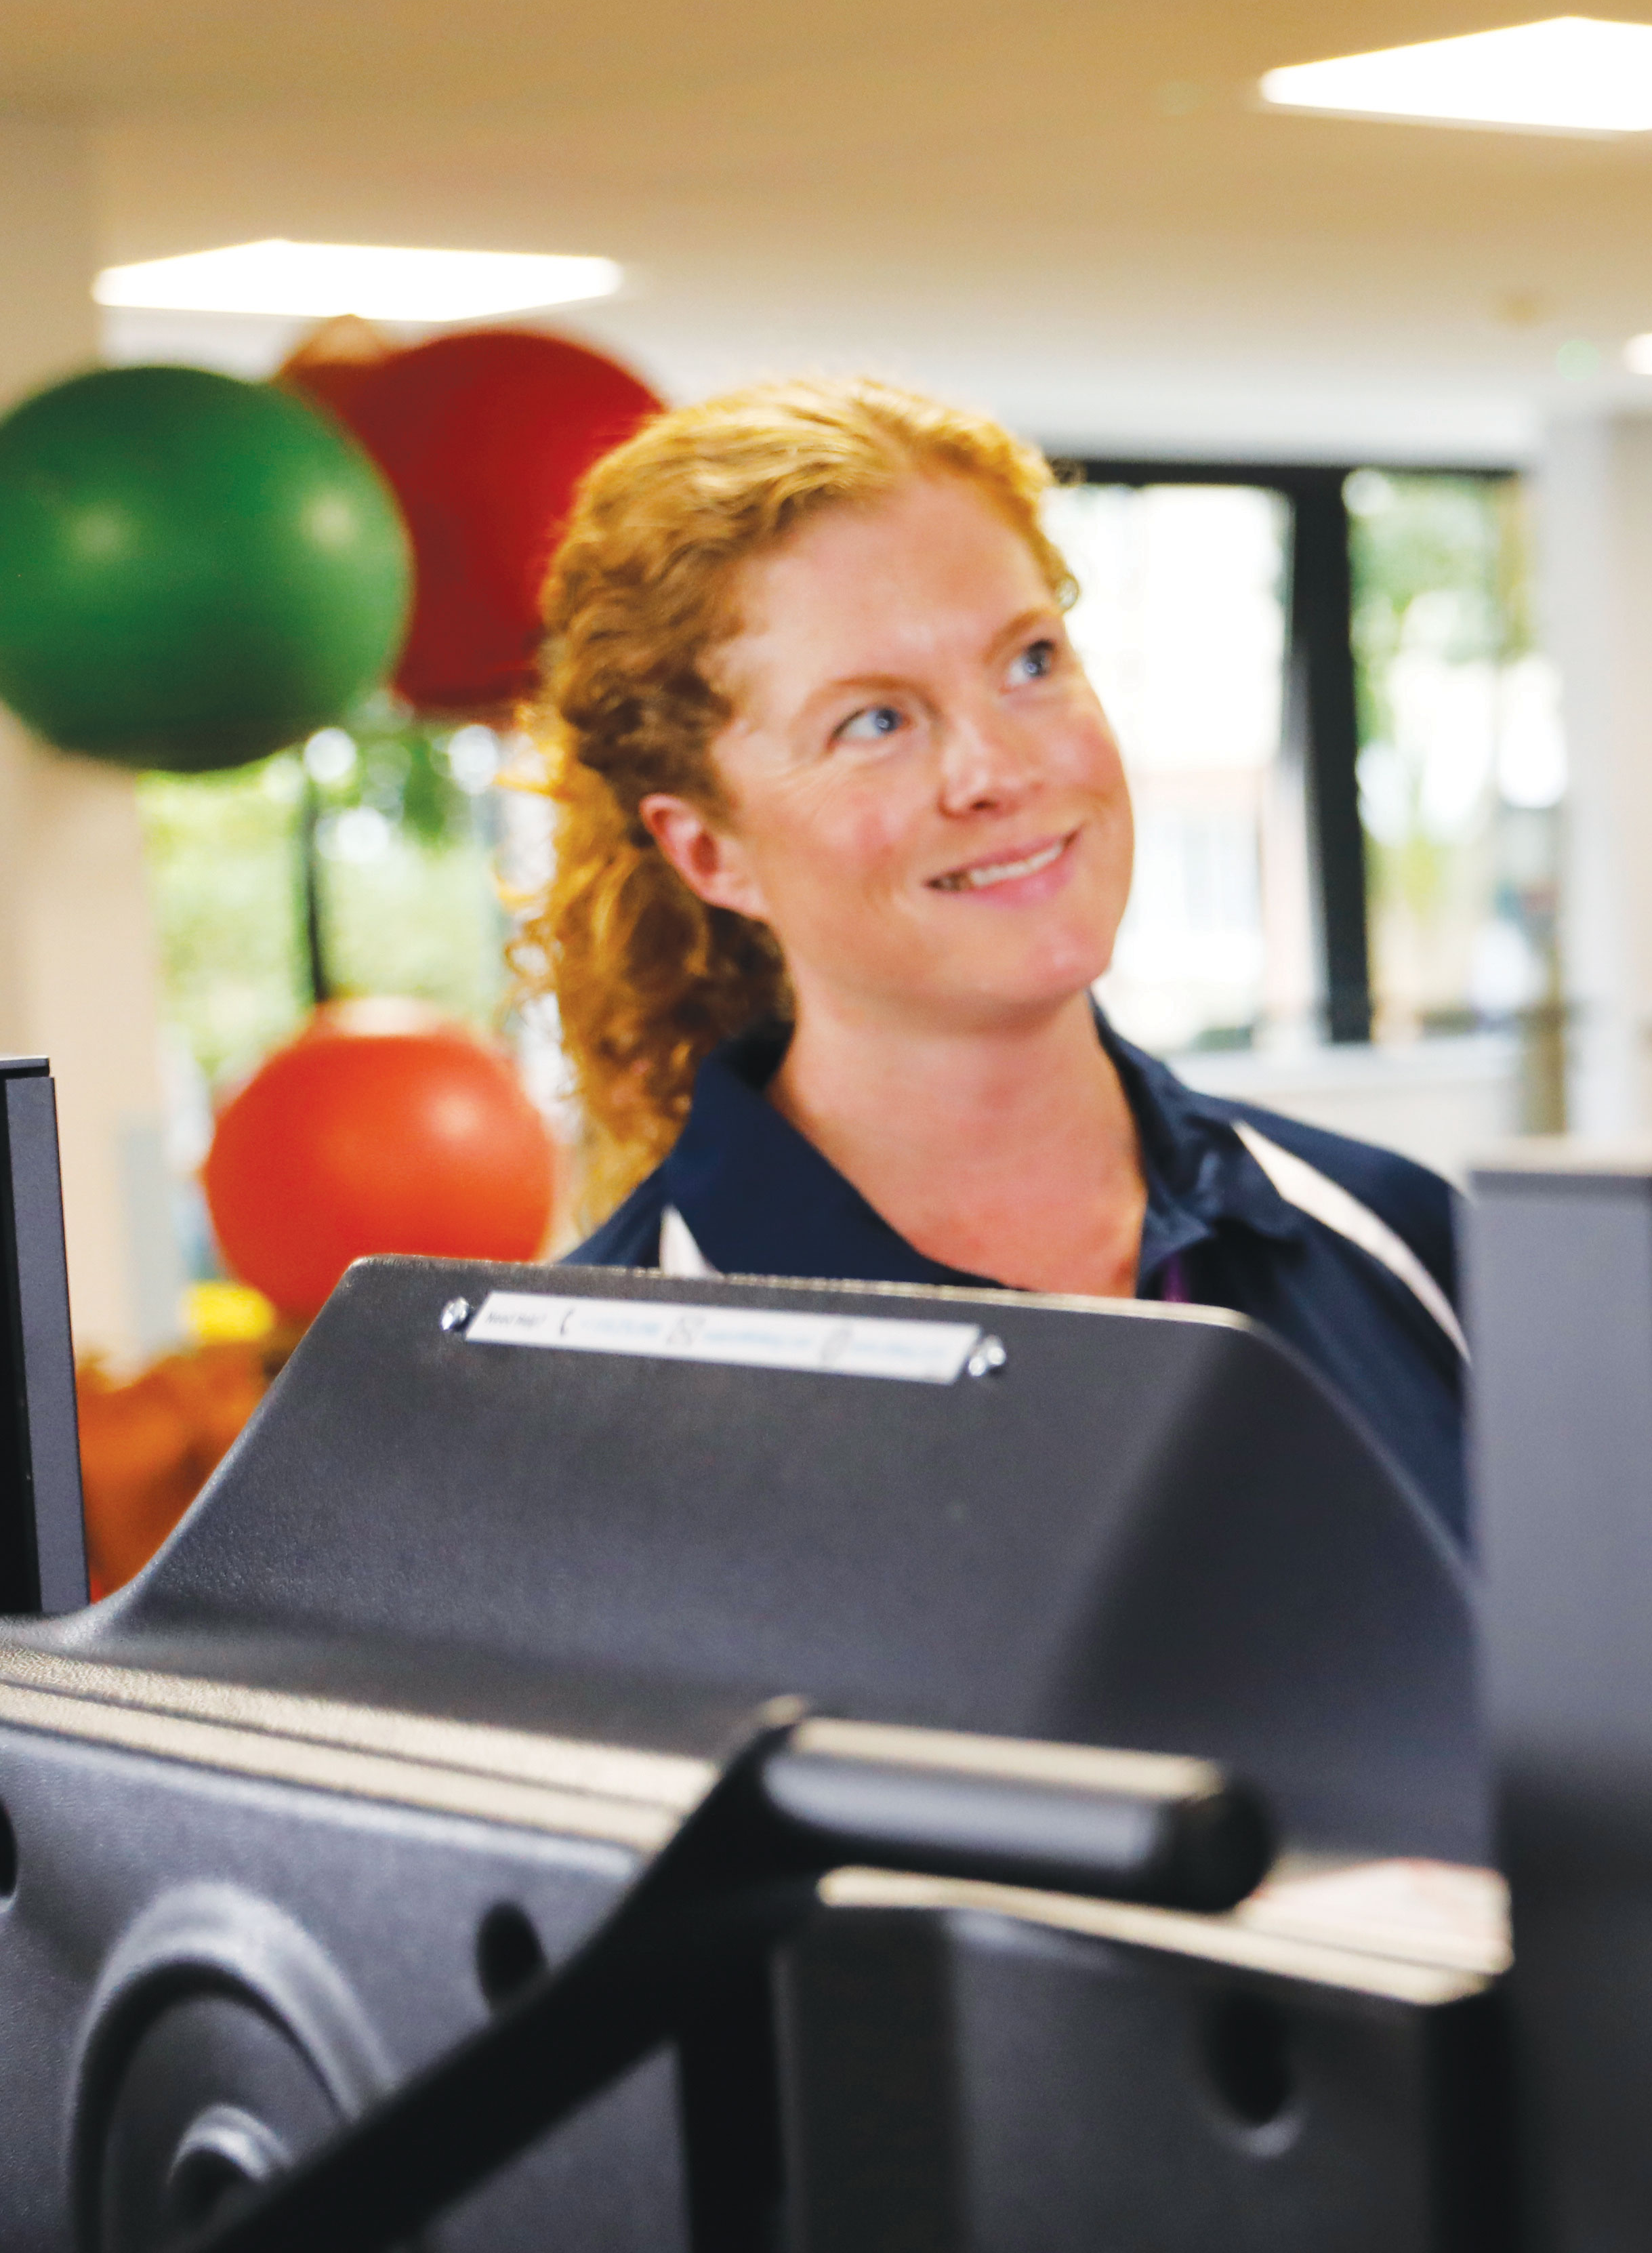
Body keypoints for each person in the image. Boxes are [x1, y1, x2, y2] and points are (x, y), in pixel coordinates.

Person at [511, 378, 1470, 1540]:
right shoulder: (597, 1397)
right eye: (876, 721)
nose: (1000, 771)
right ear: (711, 852)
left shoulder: (1398, 1241)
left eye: (1029, 662)